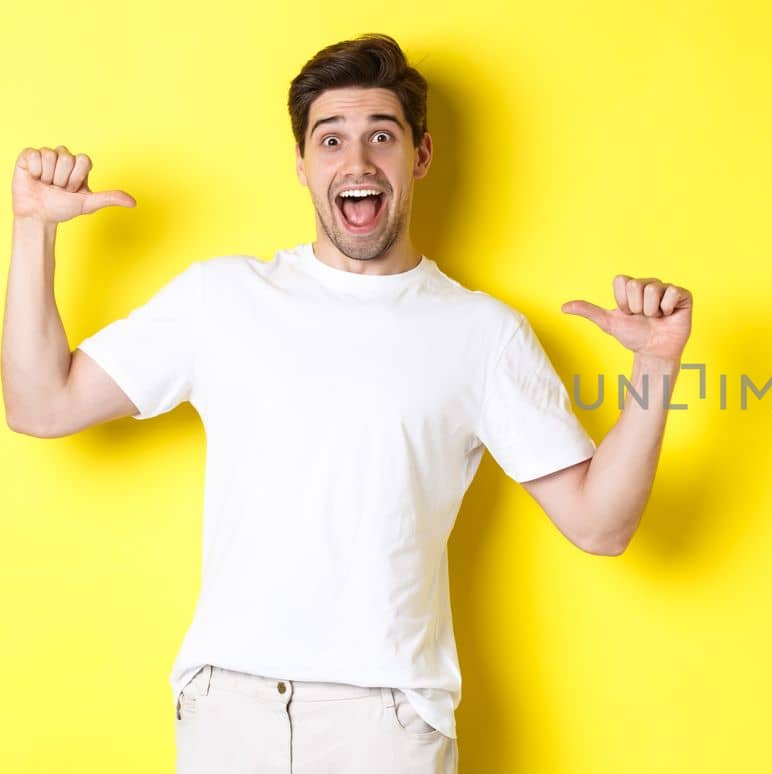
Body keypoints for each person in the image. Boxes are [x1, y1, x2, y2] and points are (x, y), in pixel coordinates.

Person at [2, 33, 691, 773]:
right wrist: (34, 227)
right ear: (302, 164)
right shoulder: (222, 298)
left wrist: (654, 366)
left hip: (386, 723)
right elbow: (41, 404)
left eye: (381, 137)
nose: (356, 162)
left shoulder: (482, 334)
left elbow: (601, 524)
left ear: (419, 157)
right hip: (227, 710)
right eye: (331, 140)